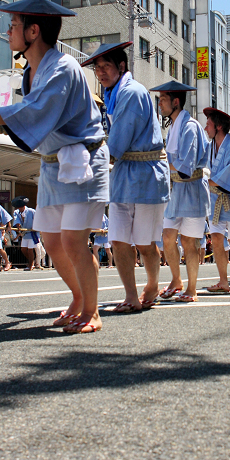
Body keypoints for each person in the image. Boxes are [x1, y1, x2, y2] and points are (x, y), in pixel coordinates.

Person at [0, 0, 109, 333]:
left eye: (14, 24)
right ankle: (78, 296)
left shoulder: (63, 68)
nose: (8, 30)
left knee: (71, 239)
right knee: (52, 241)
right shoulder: (31, 72)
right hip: (54, 163)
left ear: (33, 30)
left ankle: (92, 312)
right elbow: (27, 115)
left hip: (84, 160)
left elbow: (30, 113)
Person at [83, 42, 169, 313]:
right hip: (124, 173)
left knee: (145, 243)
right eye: (97, 68)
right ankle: (131, 295)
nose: (100, 73)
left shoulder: (131, 93)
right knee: (118, 239)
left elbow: (117, 145)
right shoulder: (113, 94)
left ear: (122, 67)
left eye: (106, 66)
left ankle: (153, 284)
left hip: (145, 173)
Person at [150, 79, 210, 303]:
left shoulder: (190, 126)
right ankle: (177, 280)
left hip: (192, 187)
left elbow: (185, 165)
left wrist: (160, 161)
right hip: (176, 189)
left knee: (188, 242)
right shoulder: (175, 125)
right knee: (167, 238)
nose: (160, 104)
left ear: (176, 102)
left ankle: (192, 289)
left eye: (163, 100)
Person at [203, 107, 230, 294]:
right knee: (217, 240)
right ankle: (223, 281)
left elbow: (225, 178)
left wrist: (204, 178)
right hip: (215, 198)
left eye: (208, 125)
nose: (206, 128)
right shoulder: (210, 147)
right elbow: (202, 167)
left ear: (218, 126)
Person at [11, 195, 40, 271]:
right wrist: (18, 225)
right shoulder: (16, 212)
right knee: (23, 249)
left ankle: (30, 265)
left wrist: (36, 227)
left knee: (30, 249)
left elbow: (38, 219)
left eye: (20, 206)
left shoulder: (31, 211)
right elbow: (16, 220)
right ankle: (31, 261)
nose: (19, 208)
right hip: (25, 233)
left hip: (32, 232)